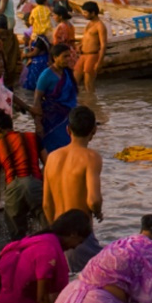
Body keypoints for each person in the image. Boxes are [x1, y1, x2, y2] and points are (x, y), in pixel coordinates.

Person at [41, 106, 104, 272]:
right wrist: (97, 211)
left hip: (58, 235)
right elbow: (94, 200)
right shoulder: (91, 157)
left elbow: (46, 204)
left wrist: (56, 233)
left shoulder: (52, 157)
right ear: (94, 130)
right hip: (80, 236)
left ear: (68, 129)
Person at [0, 109, 45, 240]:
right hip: (35, 184)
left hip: (13, 189)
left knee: (16, 239)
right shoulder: (32, 137)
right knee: (49, 232)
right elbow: (49, 164)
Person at [31, 44, 78, 153]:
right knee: (53, 151)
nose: (68, 59)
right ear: (55, 57)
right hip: (52, 119)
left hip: (68, 117)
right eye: (64, 56)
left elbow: (72, 96)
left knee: (69, 149)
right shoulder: (46, 75)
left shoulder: (67, 72)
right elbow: (37, 100)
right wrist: (38, 125)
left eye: (69, 56)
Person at [74, 2, 106, 94]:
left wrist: (99, 63)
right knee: (74, 81)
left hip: (92, 56)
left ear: (93, 13)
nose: (83, 15)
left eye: (85, 13)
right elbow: (86, 39)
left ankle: (92, 104)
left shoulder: (100, 26)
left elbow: (103, 45)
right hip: (83, 56)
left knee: (88, 84)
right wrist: (80, 45)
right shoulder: (89, 24)